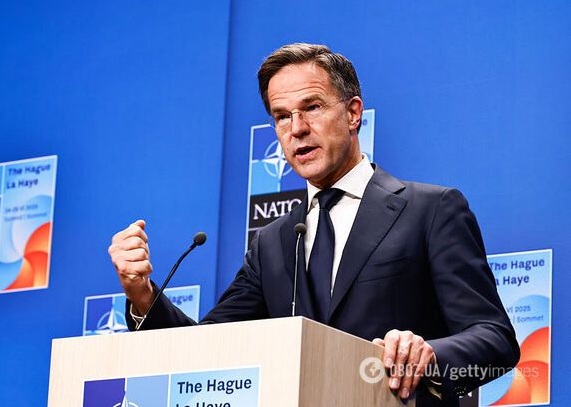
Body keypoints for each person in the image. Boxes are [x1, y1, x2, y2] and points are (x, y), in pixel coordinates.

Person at [108, 43, 519, 406]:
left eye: (313, 107)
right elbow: (207, 350)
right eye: (281, 116)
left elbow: (496, 340)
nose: (297, 129)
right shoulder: (272, 243)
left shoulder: (429, 210)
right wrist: (143, 296)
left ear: (353, 113)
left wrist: (429, 355)